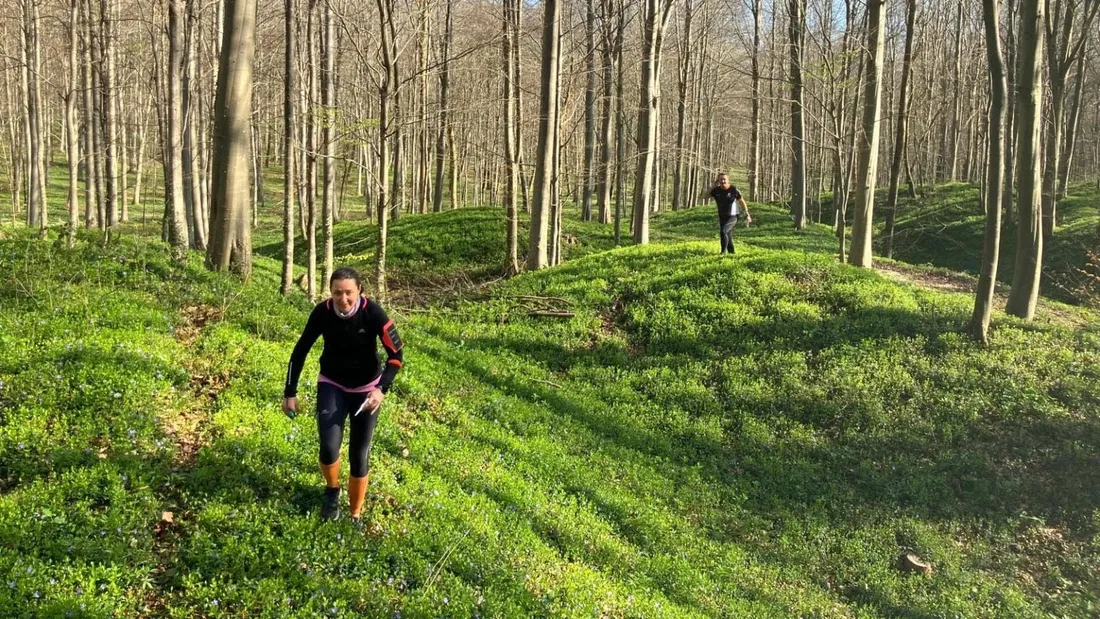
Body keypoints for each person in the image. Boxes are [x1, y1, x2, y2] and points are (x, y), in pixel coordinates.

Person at [282, 267, 404, 521]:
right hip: (332, 384)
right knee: (328, 447)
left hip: (366, 391)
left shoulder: (374, 313)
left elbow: (396, 356)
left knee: (359, 455)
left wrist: (381, 389)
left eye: (348, 292)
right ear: (330, 292)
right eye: (337, 292)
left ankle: (355, 513)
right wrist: (290, 392)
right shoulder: (322, 313)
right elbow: (300, 351)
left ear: (359, 290)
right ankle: (332, 491)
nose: (343, 298)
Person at [708, 173, 752, 254]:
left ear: (728, 180)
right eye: (721, 179)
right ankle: (732, 253)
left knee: (723, 232)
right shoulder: (716, 190)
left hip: (733, 216)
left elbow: (742, 201)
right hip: (722, 216)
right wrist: (714, 185)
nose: (723, 181)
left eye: (724, 179)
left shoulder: (734, 190)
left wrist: (747, 214)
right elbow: (705, 195)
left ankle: (722, 253)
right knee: (727, 234)